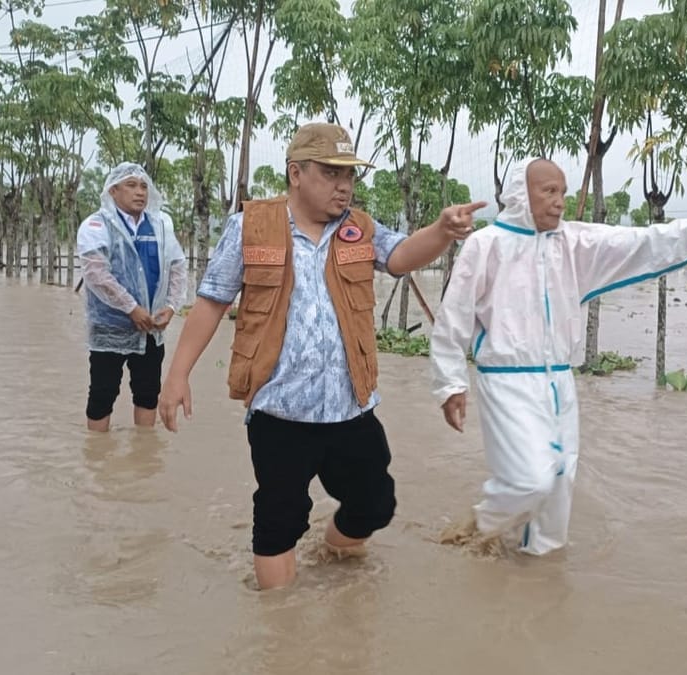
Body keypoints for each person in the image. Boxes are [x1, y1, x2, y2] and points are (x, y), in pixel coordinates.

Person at [157, 122, 486, 590]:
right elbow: (211, 301)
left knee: (375, 503)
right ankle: (281, 631)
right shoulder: (251, 226)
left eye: (349, 175)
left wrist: (441, 230)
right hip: (279, 410)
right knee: (278, 518)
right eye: (332, 174)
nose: (345, 186)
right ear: (296, 173)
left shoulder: (357, 228)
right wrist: (178, 375)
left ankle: (334, 553)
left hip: (350, 407)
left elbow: (399, 257)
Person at [429, 157, 687, 556]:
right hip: (507, 378)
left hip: (560, 379)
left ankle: (537, 567)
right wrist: (451, 384)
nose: (559, 201)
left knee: (561, 480)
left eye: (562, 192)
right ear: (520, 196)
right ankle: (480, 527)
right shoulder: (486, 244)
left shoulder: (574, 243)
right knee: (532, 480)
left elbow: (638, 242)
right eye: (549, 191)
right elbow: (453, 316)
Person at [76, 162, 187, 432]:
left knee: (148, 393)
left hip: (151, 327)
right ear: (113, 191)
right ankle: (98, 457)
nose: (140, 192)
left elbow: (177, 266)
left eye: (144, 186)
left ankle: (144, 450)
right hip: (110, 328)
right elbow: (96, 275)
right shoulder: (95, 225)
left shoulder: (160, 225)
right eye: (131, 185)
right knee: (102, 395)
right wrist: (131, 308)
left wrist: (171, 306)